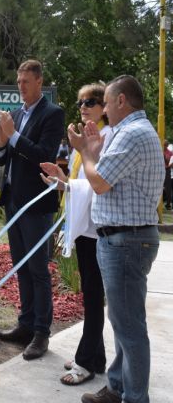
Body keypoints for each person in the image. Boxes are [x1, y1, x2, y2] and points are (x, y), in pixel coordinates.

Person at [70, 75, 163, 403]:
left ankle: (134, 397)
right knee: (124, 322)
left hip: (126, 241)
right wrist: (93, 151)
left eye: (106, 102)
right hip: (126, 239)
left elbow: (100, 182)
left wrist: (87, 151)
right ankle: (117, 387)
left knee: (130, 329)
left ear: (122, 100)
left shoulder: (131, 135)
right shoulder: (134, 132)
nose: (104, 109)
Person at [0, 59, 65, 360]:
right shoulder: (16, 115)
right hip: (13, 201)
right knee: (21, 266)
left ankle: (41, 333)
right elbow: (1, 159)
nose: (20, 86)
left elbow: (44, 156)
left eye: (26, 81)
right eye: (18, 81)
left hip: (36, 205)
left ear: (39, 82)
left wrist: (14, 136)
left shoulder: (53, 114)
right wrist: (0, 141)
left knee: (38, 270)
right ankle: (25, 324)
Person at [40, 83, 111, 386]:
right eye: (80, 102)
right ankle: (96, 356)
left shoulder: (106, 138)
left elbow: (98, 184)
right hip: (86, 228)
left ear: (105, 106)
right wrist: (62, 182)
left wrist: (68, 186)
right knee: (91, 295)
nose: (84, 106)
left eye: (91, 101)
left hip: (98, 230)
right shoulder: (84, 142)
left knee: (94, 297)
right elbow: (80, 181)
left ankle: (85, 363)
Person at [163, 140, 171, 210]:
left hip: (167, 170)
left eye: (165, 145)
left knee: (168, 188)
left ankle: (168, 204)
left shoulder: (170, 153)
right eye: (163, 145)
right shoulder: (159, 150)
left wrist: (164, 158)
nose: (164, 146)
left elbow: (169, 163)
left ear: (167, 145)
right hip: (159, 169)